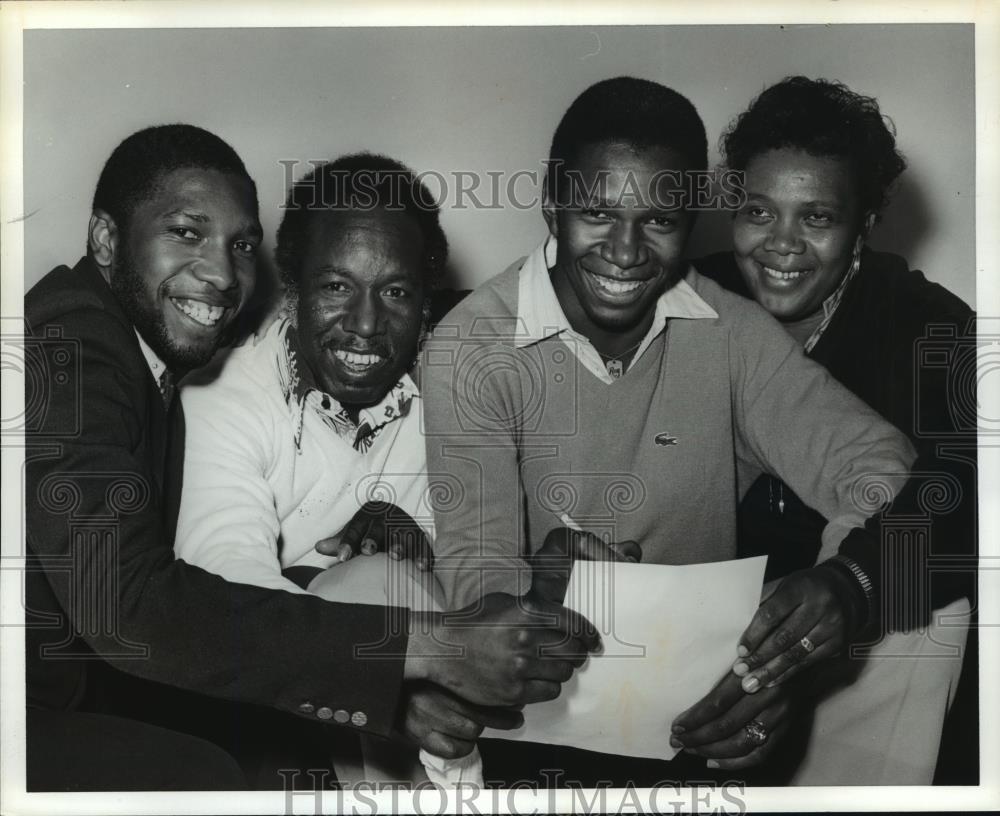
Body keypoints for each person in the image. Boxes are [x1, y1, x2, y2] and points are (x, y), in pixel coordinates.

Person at [23, 125, 600, 792]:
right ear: (105, 239)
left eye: (240, 245)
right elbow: (133, 601)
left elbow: (489, 561)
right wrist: (407, 663)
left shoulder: (461, 379)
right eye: (187, 232)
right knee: (208, 777)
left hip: (102, 689)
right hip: (48, 705)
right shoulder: (74, 345)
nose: (220, 273)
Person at [420, 76, 919, 786]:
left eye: (659, 221)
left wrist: (789, 655)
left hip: (697, 721)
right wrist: (555, 585)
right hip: (536, 727)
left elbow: (878, 462)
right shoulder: (470, 345)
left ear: (691, 221)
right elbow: (480, 587)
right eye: (597, 212)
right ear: (552, 200)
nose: (625, 251)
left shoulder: (731, 332)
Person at [174, 153, 518, 783]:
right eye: (336, 287)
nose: (365, 325)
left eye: (395, 292)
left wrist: (419, 537)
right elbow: (228, 584)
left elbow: (499, 554)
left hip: (436, 681)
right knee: (365, 586)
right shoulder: (221, 397)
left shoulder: (461, 389)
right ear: (294, 291)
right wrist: (388, 672)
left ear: (425, 305)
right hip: (280, 709)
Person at [694, 76, 976, 785]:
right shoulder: (688, 298)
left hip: (854, 633)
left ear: (863, 225)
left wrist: (854, 583)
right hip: (705, 615)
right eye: (760, 212)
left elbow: (971, 490)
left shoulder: (928, 327)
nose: (781, 245)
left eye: (816, 218)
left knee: (931, 613)